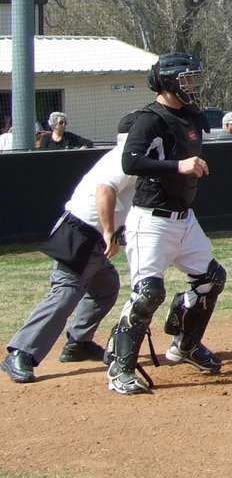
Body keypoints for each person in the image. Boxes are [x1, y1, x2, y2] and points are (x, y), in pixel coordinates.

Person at [103, 52, 227, 395]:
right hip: (151, 220)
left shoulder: (190, 115)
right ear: (169, 81)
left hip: (184, 219)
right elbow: (130, 162)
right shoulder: (149, 118)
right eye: (186, 79)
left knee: (211, 278)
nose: (192, 85)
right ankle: (120, 368)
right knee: (148, 293)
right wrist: (178, 166)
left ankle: (185, 345)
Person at [1, 113, 138, 384]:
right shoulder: (127, 156)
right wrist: (111, 231)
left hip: (92, 236)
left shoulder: (131, 156)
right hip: (80, 232)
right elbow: (104, 190)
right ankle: (21, 352)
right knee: (65, 293)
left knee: (105, 286)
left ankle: (78, 343)